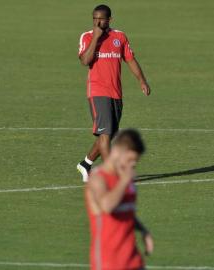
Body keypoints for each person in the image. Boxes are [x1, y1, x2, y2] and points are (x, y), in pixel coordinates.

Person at [77, 4, 151, 182]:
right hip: (97, 91)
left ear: (109, 19)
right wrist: (96, 37)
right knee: (104, 134)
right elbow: (85, 60)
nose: (97, 21)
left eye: (101, 19)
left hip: (116, 93)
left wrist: (142, 80)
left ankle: (85, 164)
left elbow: (130, 60)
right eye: (94, 18)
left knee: (108, 134)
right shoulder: (87, 37)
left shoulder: (119, 36)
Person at [85, 129, 154, 270]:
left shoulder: (124, 176)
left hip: (133, 258)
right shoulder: (98, 179)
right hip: (108, 262)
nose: (132, 166)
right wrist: (124, 181)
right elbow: (106, 206)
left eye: (134, 162)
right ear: (116, 151)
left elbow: (126, 211)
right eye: (129, 160)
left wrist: (143, 230)